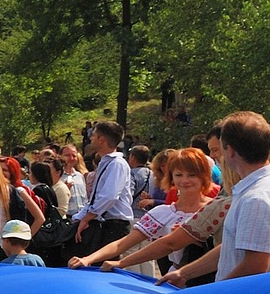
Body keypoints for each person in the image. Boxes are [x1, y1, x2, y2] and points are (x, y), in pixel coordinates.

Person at [73, 147, 216, 281]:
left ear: (204, 176)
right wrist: (88, 259)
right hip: (175, 280)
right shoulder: (163, 213)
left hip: (214, 279)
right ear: (171, 177)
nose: (185, 180)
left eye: (192, 175)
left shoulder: (218, 208)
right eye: (178, 174)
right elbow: (122, 244)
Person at [210, 111, 270, 283]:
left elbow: (255, 265)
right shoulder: (255, 190)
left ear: (230, 151)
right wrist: (185, 273)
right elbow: (235, 248)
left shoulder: (256, 199)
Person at [73, 121, 133, 257]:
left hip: (114, 225)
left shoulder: (117, 164)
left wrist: (87, 218)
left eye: (93, 135)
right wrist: (80, 217)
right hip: (106, 223)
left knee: (106, 265)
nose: (90, 138)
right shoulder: (106, 163)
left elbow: (109, 196)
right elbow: (96, 196)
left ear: (102, 140)